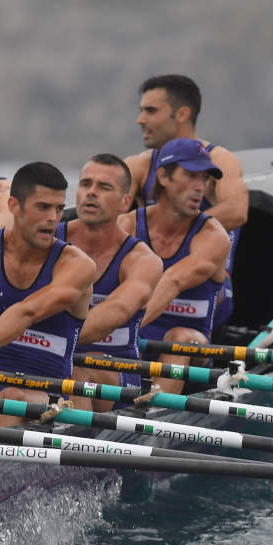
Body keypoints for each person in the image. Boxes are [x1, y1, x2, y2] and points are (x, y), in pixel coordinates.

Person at [0, 162, 96, 427]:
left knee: (10, 399)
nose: (53, 218)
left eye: (59, 208)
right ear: (14, 206)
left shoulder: (77, 265)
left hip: (47, 392)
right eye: (43, 207)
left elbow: (27, 311)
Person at [123, 73, 247, 332]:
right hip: (150, 280)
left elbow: (236, 211)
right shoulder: (139, 165)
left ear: (181, 114)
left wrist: (175, 232)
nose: (140, 120)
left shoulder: (220, 160)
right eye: (141, 111)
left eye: (151, 111)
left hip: (205, 291)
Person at [118, 138, 232, 395]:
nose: (199, 187)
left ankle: (151, 426)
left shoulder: (214, 236)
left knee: (179, 339)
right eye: (191, 175)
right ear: (163, 177)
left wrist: (116, 333)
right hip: (133, 350)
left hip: (191, 358)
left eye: (204, 179)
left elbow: (174, 279)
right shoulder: (126, 226)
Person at [55, 155, 163, 412]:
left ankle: (77, 448)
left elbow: (117, 311)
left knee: (76, 373)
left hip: (115, 371)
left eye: (104, 187)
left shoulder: (142, 260)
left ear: (125, 202)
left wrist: (35, 339)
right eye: (85, 184)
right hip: (50, 361)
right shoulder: (48, 239)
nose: (91, 193)